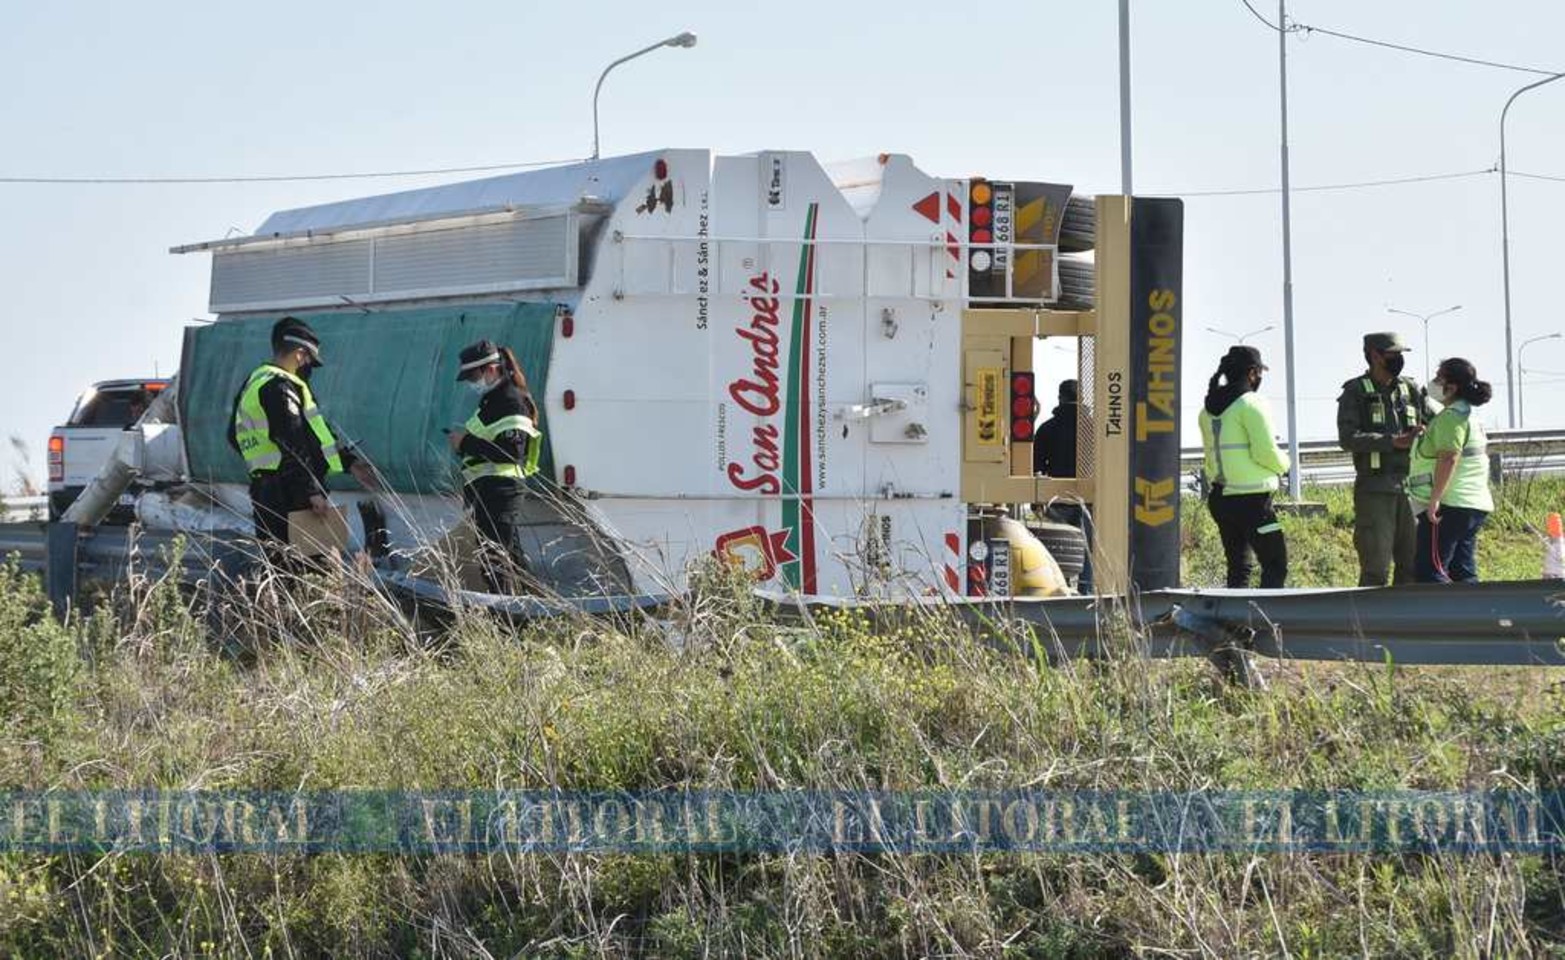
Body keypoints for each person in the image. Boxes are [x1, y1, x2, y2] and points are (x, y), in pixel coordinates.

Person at [227, 317, 377, 563]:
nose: (308, 366)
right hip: (290, 495)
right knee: (308, 569)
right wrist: (310, 491)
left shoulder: (255, 382)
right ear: (299, 354)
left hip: (265, 489)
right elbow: (293, 442)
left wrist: (348, 462)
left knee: (279, 565)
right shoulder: (281, 387)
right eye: (309, 359)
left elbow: (235, 437)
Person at [1336, 332, 1437, 586]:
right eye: (1393, 355)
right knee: (1375, 568)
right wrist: (1392, 441)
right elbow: (1348, 438)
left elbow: (1436, 423)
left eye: (1401, 355)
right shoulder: (1356, 391)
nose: (1399, 359)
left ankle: (1406, 623)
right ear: (1374, 355)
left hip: (1413, 490)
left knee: (1412, 565)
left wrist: (1424, 432)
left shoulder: (1410, 389)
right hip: (1375, 491)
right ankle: (1368, 624)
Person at [448, 339, 543, 593]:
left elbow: (512, 452)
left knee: (494, 560)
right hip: (488, 492)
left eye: (473, 376)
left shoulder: (511, 401)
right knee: (509, 557)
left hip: (502, 491)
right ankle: (533, 609)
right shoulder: (492, 401)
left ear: (490, 369)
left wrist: (465, 442)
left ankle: (507, 619)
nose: (470, 382)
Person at [1198, 345, 1291, 588]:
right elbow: (1265, 452)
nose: (1260, 378)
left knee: (1239, 568)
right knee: (1275, 564)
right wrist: (1285, 464)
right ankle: (1265, 622)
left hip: (1221, 499)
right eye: (1259, 372)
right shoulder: (1251, 404)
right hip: (1253, 502)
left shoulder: (1206, 410)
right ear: (1252, 373)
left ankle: (1237, 624)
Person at [1409, 358, 1494, 583]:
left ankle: (1440, 617)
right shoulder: (1468, 416)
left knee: (1432, 571)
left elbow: (1448, 458)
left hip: (1452, 504)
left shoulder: (1451, 418)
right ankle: (1473, 616)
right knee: (1461, 571)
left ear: (1452, 387)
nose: (1434, 383)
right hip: (1472, 504)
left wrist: (1434, 500)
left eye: (1439, 378)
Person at [1033, 379, 1093, 593]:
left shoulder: (1047, 429)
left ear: (1060, 398)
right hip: (1090, 500)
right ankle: (1086, 593)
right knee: (1088, 550)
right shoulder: (1095, 428)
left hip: (1056, 500)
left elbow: (1037, 467)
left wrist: (1036, 502)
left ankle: (1062, 591)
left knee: (1060, 549)